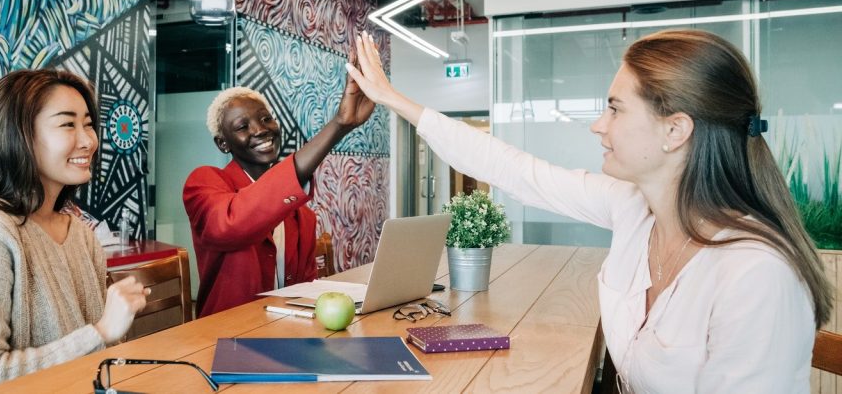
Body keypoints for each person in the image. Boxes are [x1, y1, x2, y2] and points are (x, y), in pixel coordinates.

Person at [345, 29, 833, 392]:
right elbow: (518, 172)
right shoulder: (634, 209)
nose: (598, 125)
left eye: (616, 109)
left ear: (675, 130)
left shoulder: (756, 277)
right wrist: (396, 102)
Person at [0, 69, 149, 392]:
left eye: (88, 124)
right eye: (68, 124)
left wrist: (108, 334)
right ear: (17, 135)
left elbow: (100, 365)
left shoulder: (81, 235)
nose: (89, 140)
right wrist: (101, 333)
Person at [183, 59, 375, 317]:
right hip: (225, 338)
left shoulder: (303, 217)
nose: (260, 130)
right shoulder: (204, 182)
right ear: (223, 144)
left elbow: (304, 290)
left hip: (284, 334)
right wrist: (339, 124)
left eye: (266, 119)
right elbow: (232, 222)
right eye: (242, 127)